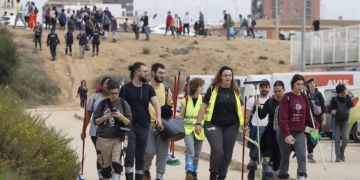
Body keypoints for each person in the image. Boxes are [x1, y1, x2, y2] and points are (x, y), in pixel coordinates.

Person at [195, 66, 244, 180]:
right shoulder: (212, 90)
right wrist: (198, 124)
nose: (228, 77)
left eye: (230, 75)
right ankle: (213, 174)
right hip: (213, 124)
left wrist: (243, 124)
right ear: (220, 77)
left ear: (232, 77)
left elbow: (240, 109)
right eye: (225, 75)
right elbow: (203, 107)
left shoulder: (236, 91)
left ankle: (222, 176)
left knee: (227, 154)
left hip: (231, 125)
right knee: (218, 151)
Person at [119, 62, 163, 180]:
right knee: (130, 153)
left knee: (140, 155)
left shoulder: (148, 88)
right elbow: (120, 107)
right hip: (129, 126)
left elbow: (156, 103)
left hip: (144, 126)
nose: (147, 73)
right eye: (145, 71)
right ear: (137, 72)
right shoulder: (125, 88)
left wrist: (158, 117)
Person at [277, 74, 320, 180]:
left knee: (301, 156)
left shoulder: (304, 97)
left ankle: (301, 177)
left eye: (302, 84)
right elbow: (283, 119)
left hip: (299, 132)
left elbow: (308, 115)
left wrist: (316, 126)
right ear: (293, 84)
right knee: (285, 158)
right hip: (284, 132)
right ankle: (282, 176)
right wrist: (287, 134)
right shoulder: (286, 97)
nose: (300, 86)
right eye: (298, 84)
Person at [93, 80, 132, 180]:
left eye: (116, 93)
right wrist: (105, 117)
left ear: (119, 91)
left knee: (117, 164)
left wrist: (120, 116)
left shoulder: (124, 104)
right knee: (105, 169)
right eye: (112, 93)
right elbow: (95, 121)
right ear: (108, 92)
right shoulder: (102, 104)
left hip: (119, 138)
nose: (114, 95)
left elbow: (129, 122)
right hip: (103, 139)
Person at [143, 63, 173, 180]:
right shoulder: (144, 88)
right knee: (149, 152)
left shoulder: (166, 89)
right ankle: (146, 169)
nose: (162, 75)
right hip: (148, 126)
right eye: (160, 73)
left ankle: (159, 176)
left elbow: (169, 104)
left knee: (162, 154)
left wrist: (167, 111)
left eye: (164, 73)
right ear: (153, 73)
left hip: (163, 127)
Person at [81, 77, 112, 180]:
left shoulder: (115, 98)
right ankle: (101, 175)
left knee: (110, 155)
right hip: (96, 132)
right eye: (106, 84)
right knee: (101, 153)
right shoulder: (95, 98)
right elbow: (88, 115)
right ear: (101, 85)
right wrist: (83, 130)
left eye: (110, 83)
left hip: (112, 132)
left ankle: (107, 174)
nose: (108, 86)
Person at [257, 80, 285, 179]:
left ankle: (279, 173)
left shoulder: (288, 102)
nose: (277, 94)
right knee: (275, 155)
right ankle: (276, 175)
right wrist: (258, 107)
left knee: (282, 155)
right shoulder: (270, 101)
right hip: (271, 132)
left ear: (284, 90)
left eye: (279, 91)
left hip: (284, 132)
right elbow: (261, 116)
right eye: (275, 91)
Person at [179, 78, 205, 180]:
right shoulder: (185, 100)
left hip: (200, 130)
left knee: (197, 153)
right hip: (187, 129)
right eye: (201, 86)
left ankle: (194, 173)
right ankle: (189, 171)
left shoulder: (203, 100)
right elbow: (181, 116)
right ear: (195, 87)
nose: (203, 88)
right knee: (190, 150)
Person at [246, 79, 270, 180]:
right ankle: (251, 170)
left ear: (269, 88)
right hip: (255, 128)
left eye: (266, 87)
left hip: (268, 129)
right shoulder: (252, 100)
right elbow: (247, 115)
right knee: (254, 153)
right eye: (262, 87)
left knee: (266, 153)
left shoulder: (271, 101)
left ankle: (266, 173)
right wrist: (245, 126)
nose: (264, 89)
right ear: (259, 88)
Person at [328, 84, 353, 162]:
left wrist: (348, 95)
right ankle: (338, 155)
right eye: (342, 92)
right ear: (338, 92)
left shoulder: (347, 98)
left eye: (344, 91)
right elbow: (329, 109)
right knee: (337, 139)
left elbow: (352, 105)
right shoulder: (334, 99)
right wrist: (332, 111)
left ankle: (342, 151)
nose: (343, 93)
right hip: (336, 121)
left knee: (346, 138)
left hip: (345, 121)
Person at [305, 77, 326, 163]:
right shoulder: (305, 94)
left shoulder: (319, 94)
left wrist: (324, 120)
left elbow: (323, 109)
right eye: (310, 83)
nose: (312, 84)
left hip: (317, 119)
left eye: (313, 82)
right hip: (308, 119)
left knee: (317, 136)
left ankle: (310, 150)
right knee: (309, 136)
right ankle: (310, 154)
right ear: (308, 85)